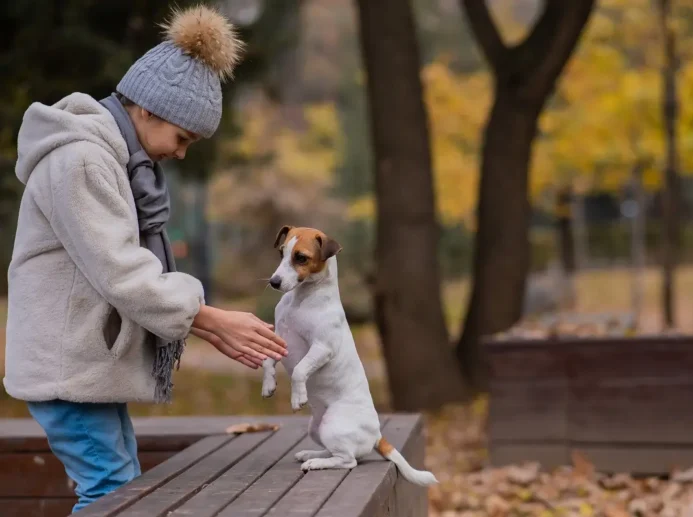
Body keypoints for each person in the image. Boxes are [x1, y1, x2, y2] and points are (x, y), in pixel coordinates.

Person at [2, 5, 287, 513]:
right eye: (183, 139)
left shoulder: (113, 162)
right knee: (113, 495)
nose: (180, 155)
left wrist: (205, 322)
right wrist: (209, 318)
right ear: (148, 110)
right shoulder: (81, 160)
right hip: (68, 369)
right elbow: (122, 271)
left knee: (122, 491)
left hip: (86, 366)